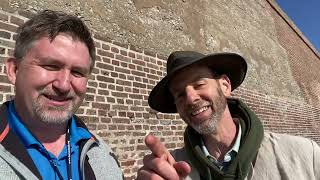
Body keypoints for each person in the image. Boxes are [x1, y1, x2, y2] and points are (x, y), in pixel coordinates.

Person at [137, 51, 320, 180]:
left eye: (199, 84)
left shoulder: (304, 155)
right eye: (180, 95)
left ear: (225, 86)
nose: (190, 98)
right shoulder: (172, 169)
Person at [1, 10, 123, 179]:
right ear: (14, 70)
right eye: (51, 66)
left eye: (78, 72)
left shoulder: (103, 154)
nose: (64, 85)